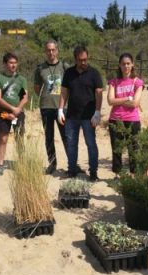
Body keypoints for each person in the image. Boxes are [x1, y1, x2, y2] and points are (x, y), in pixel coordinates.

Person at [58, 46, 103, 181]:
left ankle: (93, 172)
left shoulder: (94, 73)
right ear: (75, 59)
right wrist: (60, 109)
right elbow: (64, 92)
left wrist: (98, 112)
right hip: (72, 116)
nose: (83, 62)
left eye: (85, 59)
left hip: (89, 117)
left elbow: (99, 93)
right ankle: (72, 170)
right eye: (80, 60)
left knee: (91, 144)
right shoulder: (69, 73)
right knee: (71, 144)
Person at [34, 39, 70, 174]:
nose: (51, 52)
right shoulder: (40, 69)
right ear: (45, 51)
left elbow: (70, 86)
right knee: (49, 137)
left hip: (62, 107)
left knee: (66, 136)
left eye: (53, 49)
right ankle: (52, 163)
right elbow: (37, 88)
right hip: (46, 107)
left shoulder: (64, 67)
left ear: (57, 51)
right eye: (48, 50)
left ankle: (71, 163)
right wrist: (46, 97)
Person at [107, 53, 144, 178]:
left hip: (132, 120)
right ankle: (117, 174)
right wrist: (128, 97)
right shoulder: (114, 82)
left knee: (133, 149)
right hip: (115, 119)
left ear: (132, 64)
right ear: (119, 65)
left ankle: (133, 174)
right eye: (123, 64)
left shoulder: (138, 82)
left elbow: (135, 103)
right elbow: (110, 101)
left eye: (128, 63)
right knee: (116, 148)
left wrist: (120, 99)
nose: (126, 66)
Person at [0, 52, 28, 176]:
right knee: (3, 138)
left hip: (19, 112)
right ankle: (0, 165)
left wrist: (17, 109)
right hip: (2, 113)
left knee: (20, 138)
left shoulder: (22, 79)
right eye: (10, 63)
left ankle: (22, 163)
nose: (13, 65)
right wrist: (11, 109)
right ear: (5, 64)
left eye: (15, 63)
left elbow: (25, 97)